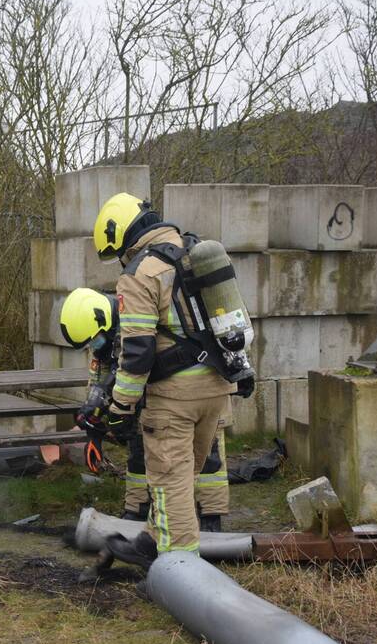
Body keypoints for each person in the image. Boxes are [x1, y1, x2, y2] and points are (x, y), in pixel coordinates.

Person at [91, 193, 252, 567]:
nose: (121, 259)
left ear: (124, 237)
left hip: (174, 398)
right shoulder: (194, 252)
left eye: (118, 252)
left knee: (169, 481)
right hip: (216, 388)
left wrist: (119, 407)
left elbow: (137, 354)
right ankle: (151, 539)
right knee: (182, 475)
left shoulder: (140, 274)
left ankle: (182, 570)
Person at [59, 287, 232, 529]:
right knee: (138, 451)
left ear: (103, 319)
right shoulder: (103, 335)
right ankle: (137, 510)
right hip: (152, 398)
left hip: (194, 391)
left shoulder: (138, 317)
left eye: (94, 340)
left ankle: (211, 516)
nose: (95, 344)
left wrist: (120, 404)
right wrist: (94, 426)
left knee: (208, 457)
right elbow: (99, 378)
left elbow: (138, 361)